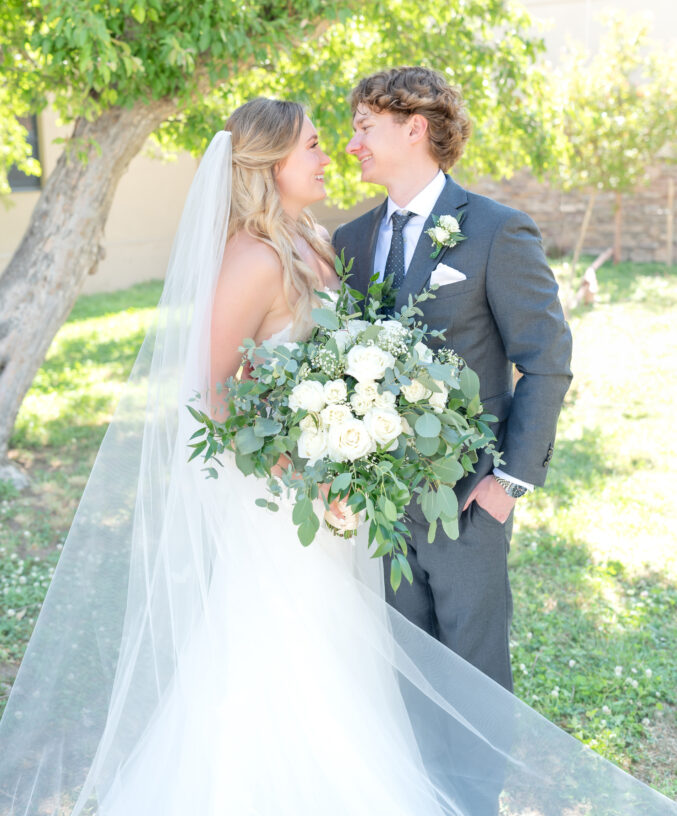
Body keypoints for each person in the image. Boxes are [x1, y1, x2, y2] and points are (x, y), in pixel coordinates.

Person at [0, 97, 675, 816]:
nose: (333, 155)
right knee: (288, 668)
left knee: (369, 664)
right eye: (316, 145)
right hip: (289, 508)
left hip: (357, 500)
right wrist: (296, 470)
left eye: (344, 135)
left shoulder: (320, 243)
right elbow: (210, 390)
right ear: (268, 166)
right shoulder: (255, 255)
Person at [334, 65, 573, 694]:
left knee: (473, 672)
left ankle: (472, 798)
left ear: (413, 128)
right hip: (379, 498)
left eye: (364, 127)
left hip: (468, 495)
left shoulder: (498, 230)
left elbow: (546, 356)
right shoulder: (350, 241)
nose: (352, 143)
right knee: (403, 669)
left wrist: (509, 481)